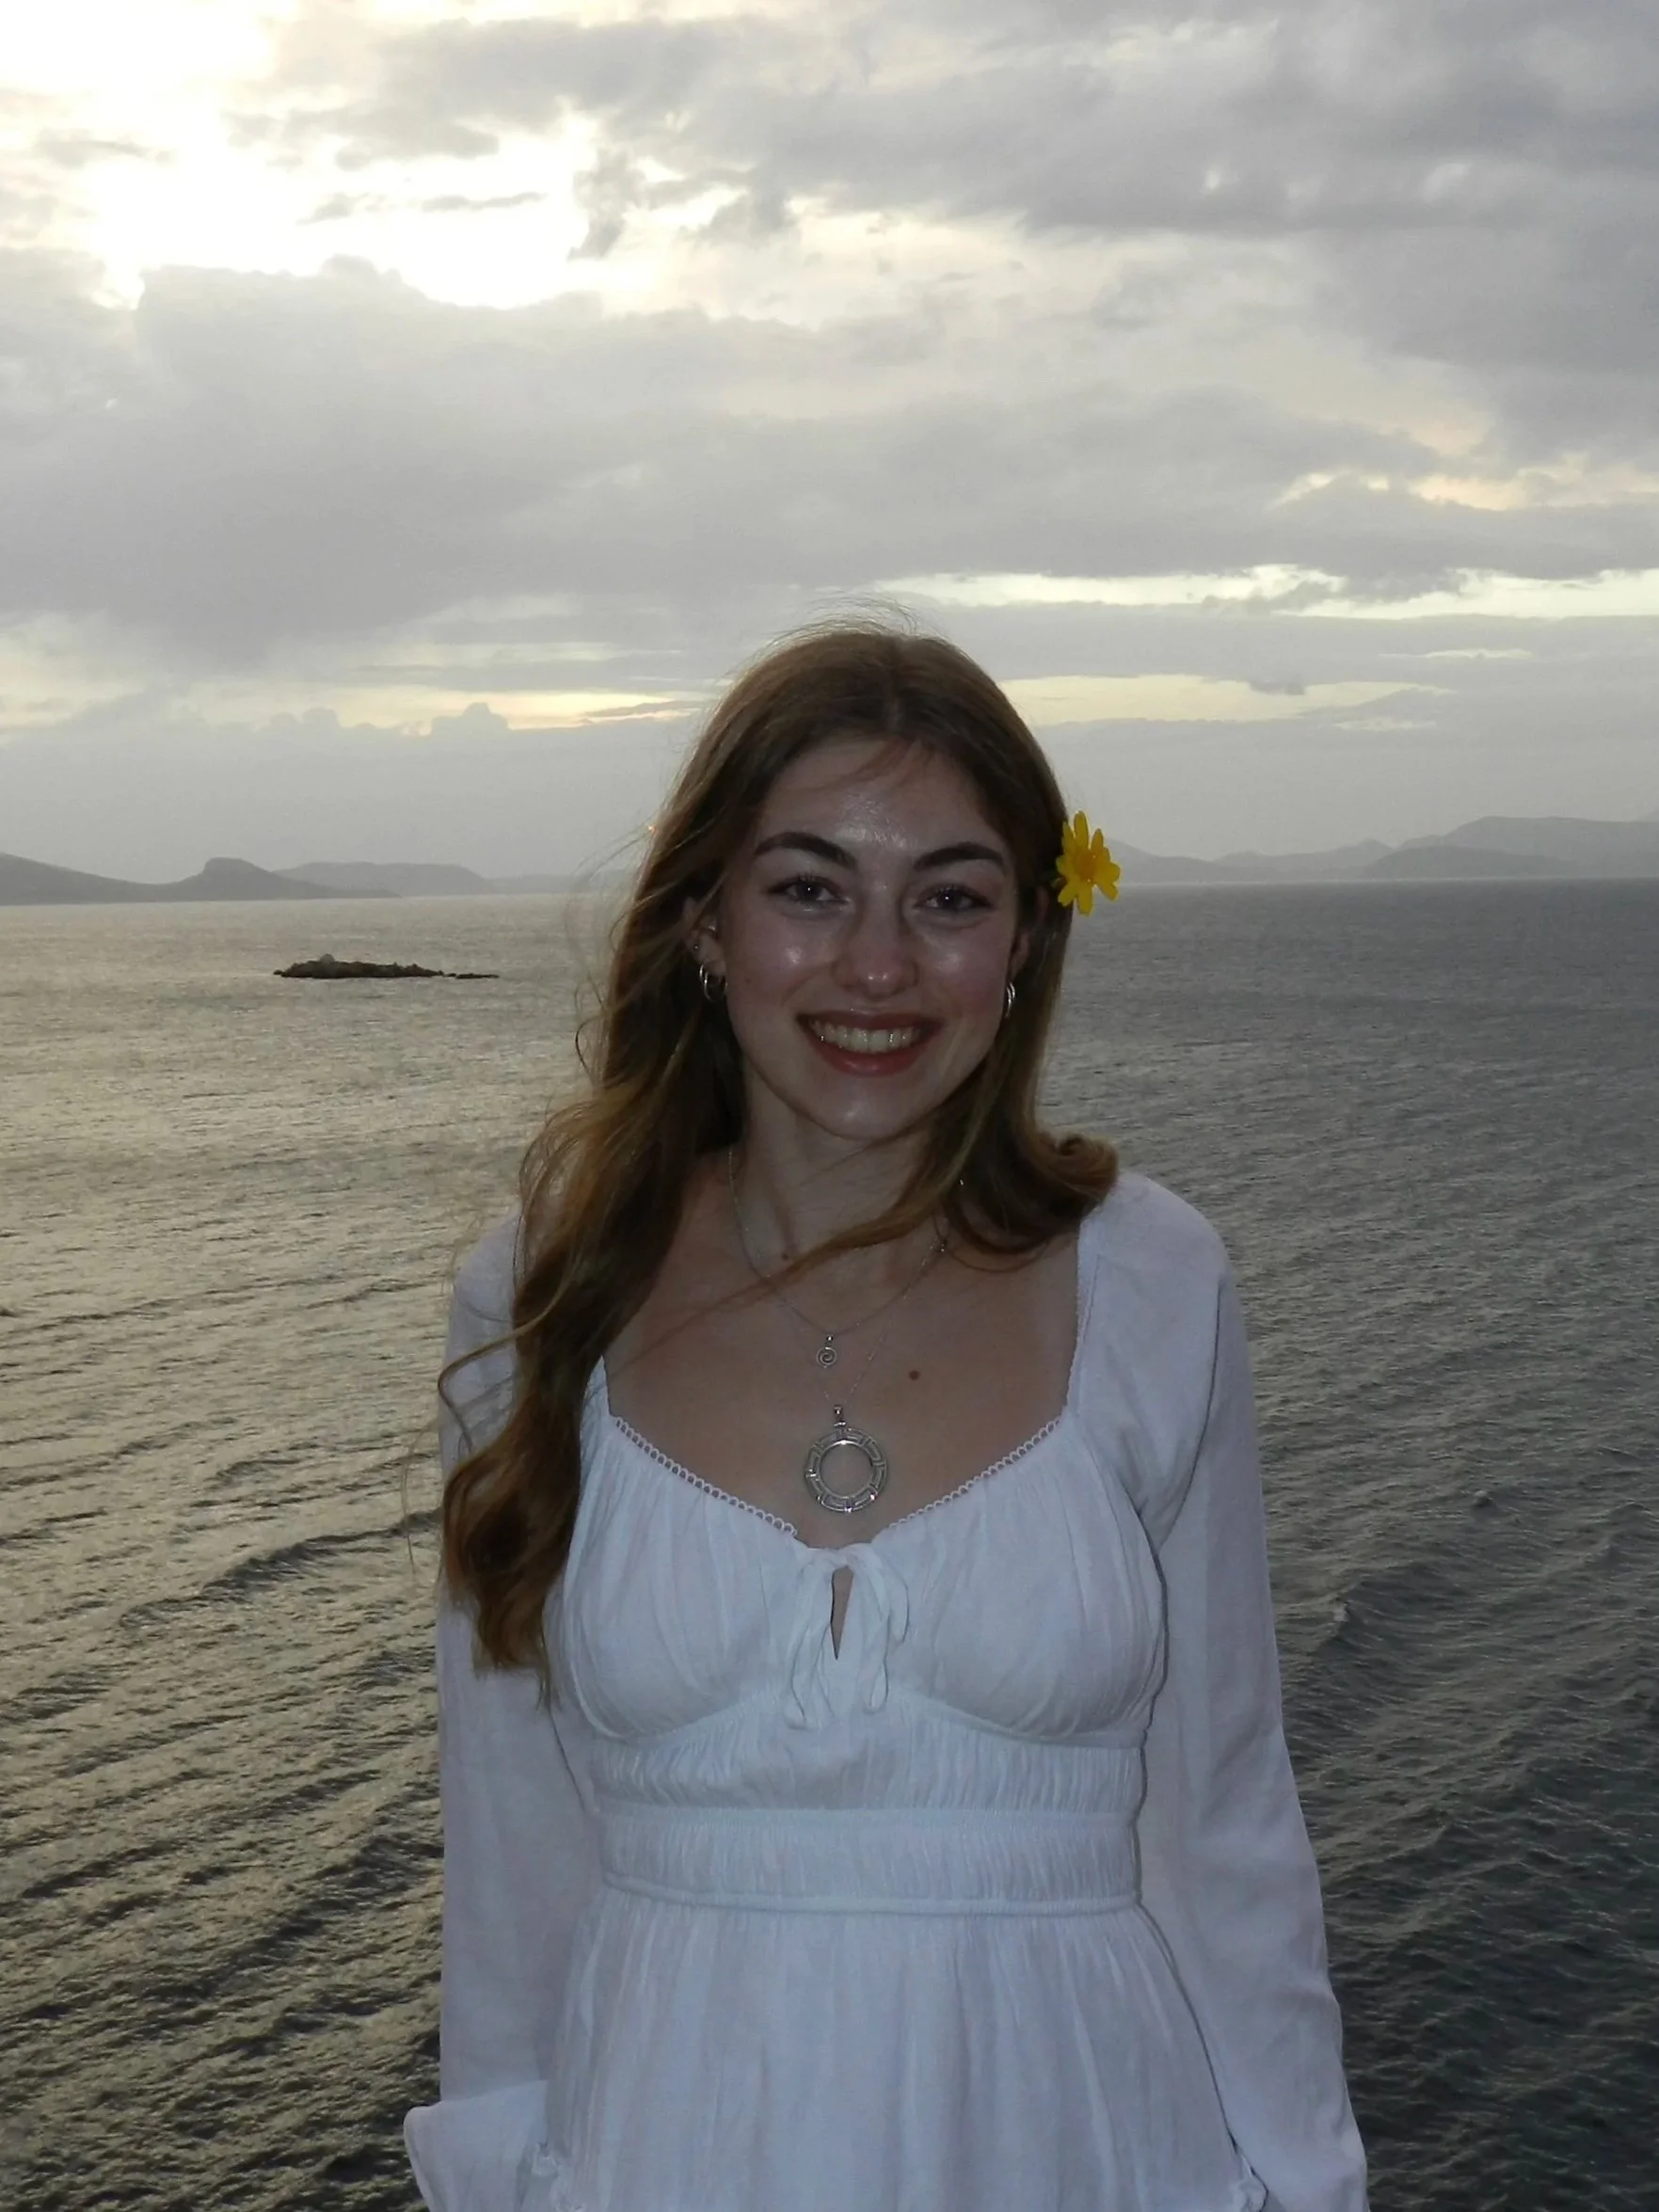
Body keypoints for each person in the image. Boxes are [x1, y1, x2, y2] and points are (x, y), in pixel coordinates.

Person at [404, 619, 1369, 2212]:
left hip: (1082, 2142)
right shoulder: (536, 1304)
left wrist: (1305, 2183)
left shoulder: (1150, 1280)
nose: (877, 963)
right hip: (669, 2148)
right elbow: (510, 1853)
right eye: (807, 887)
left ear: (1024, 943)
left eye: (948, 896)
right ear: (706, 918)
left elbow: (1221, 1818)